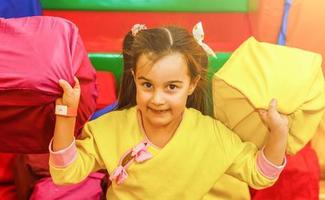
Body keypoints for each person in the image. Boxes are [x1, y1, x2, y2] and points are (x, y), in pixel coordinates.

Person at [49, 23, 289, 199]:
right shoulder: (109, 128)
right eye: (147, 85)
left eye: (172, 87)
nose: (157, 99)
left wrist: (278, 133)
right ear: (134, 78)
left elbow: (259, 174)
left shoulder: (212, 135)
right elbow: (66, 173)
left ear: (192, 84)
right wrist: (66, 114)